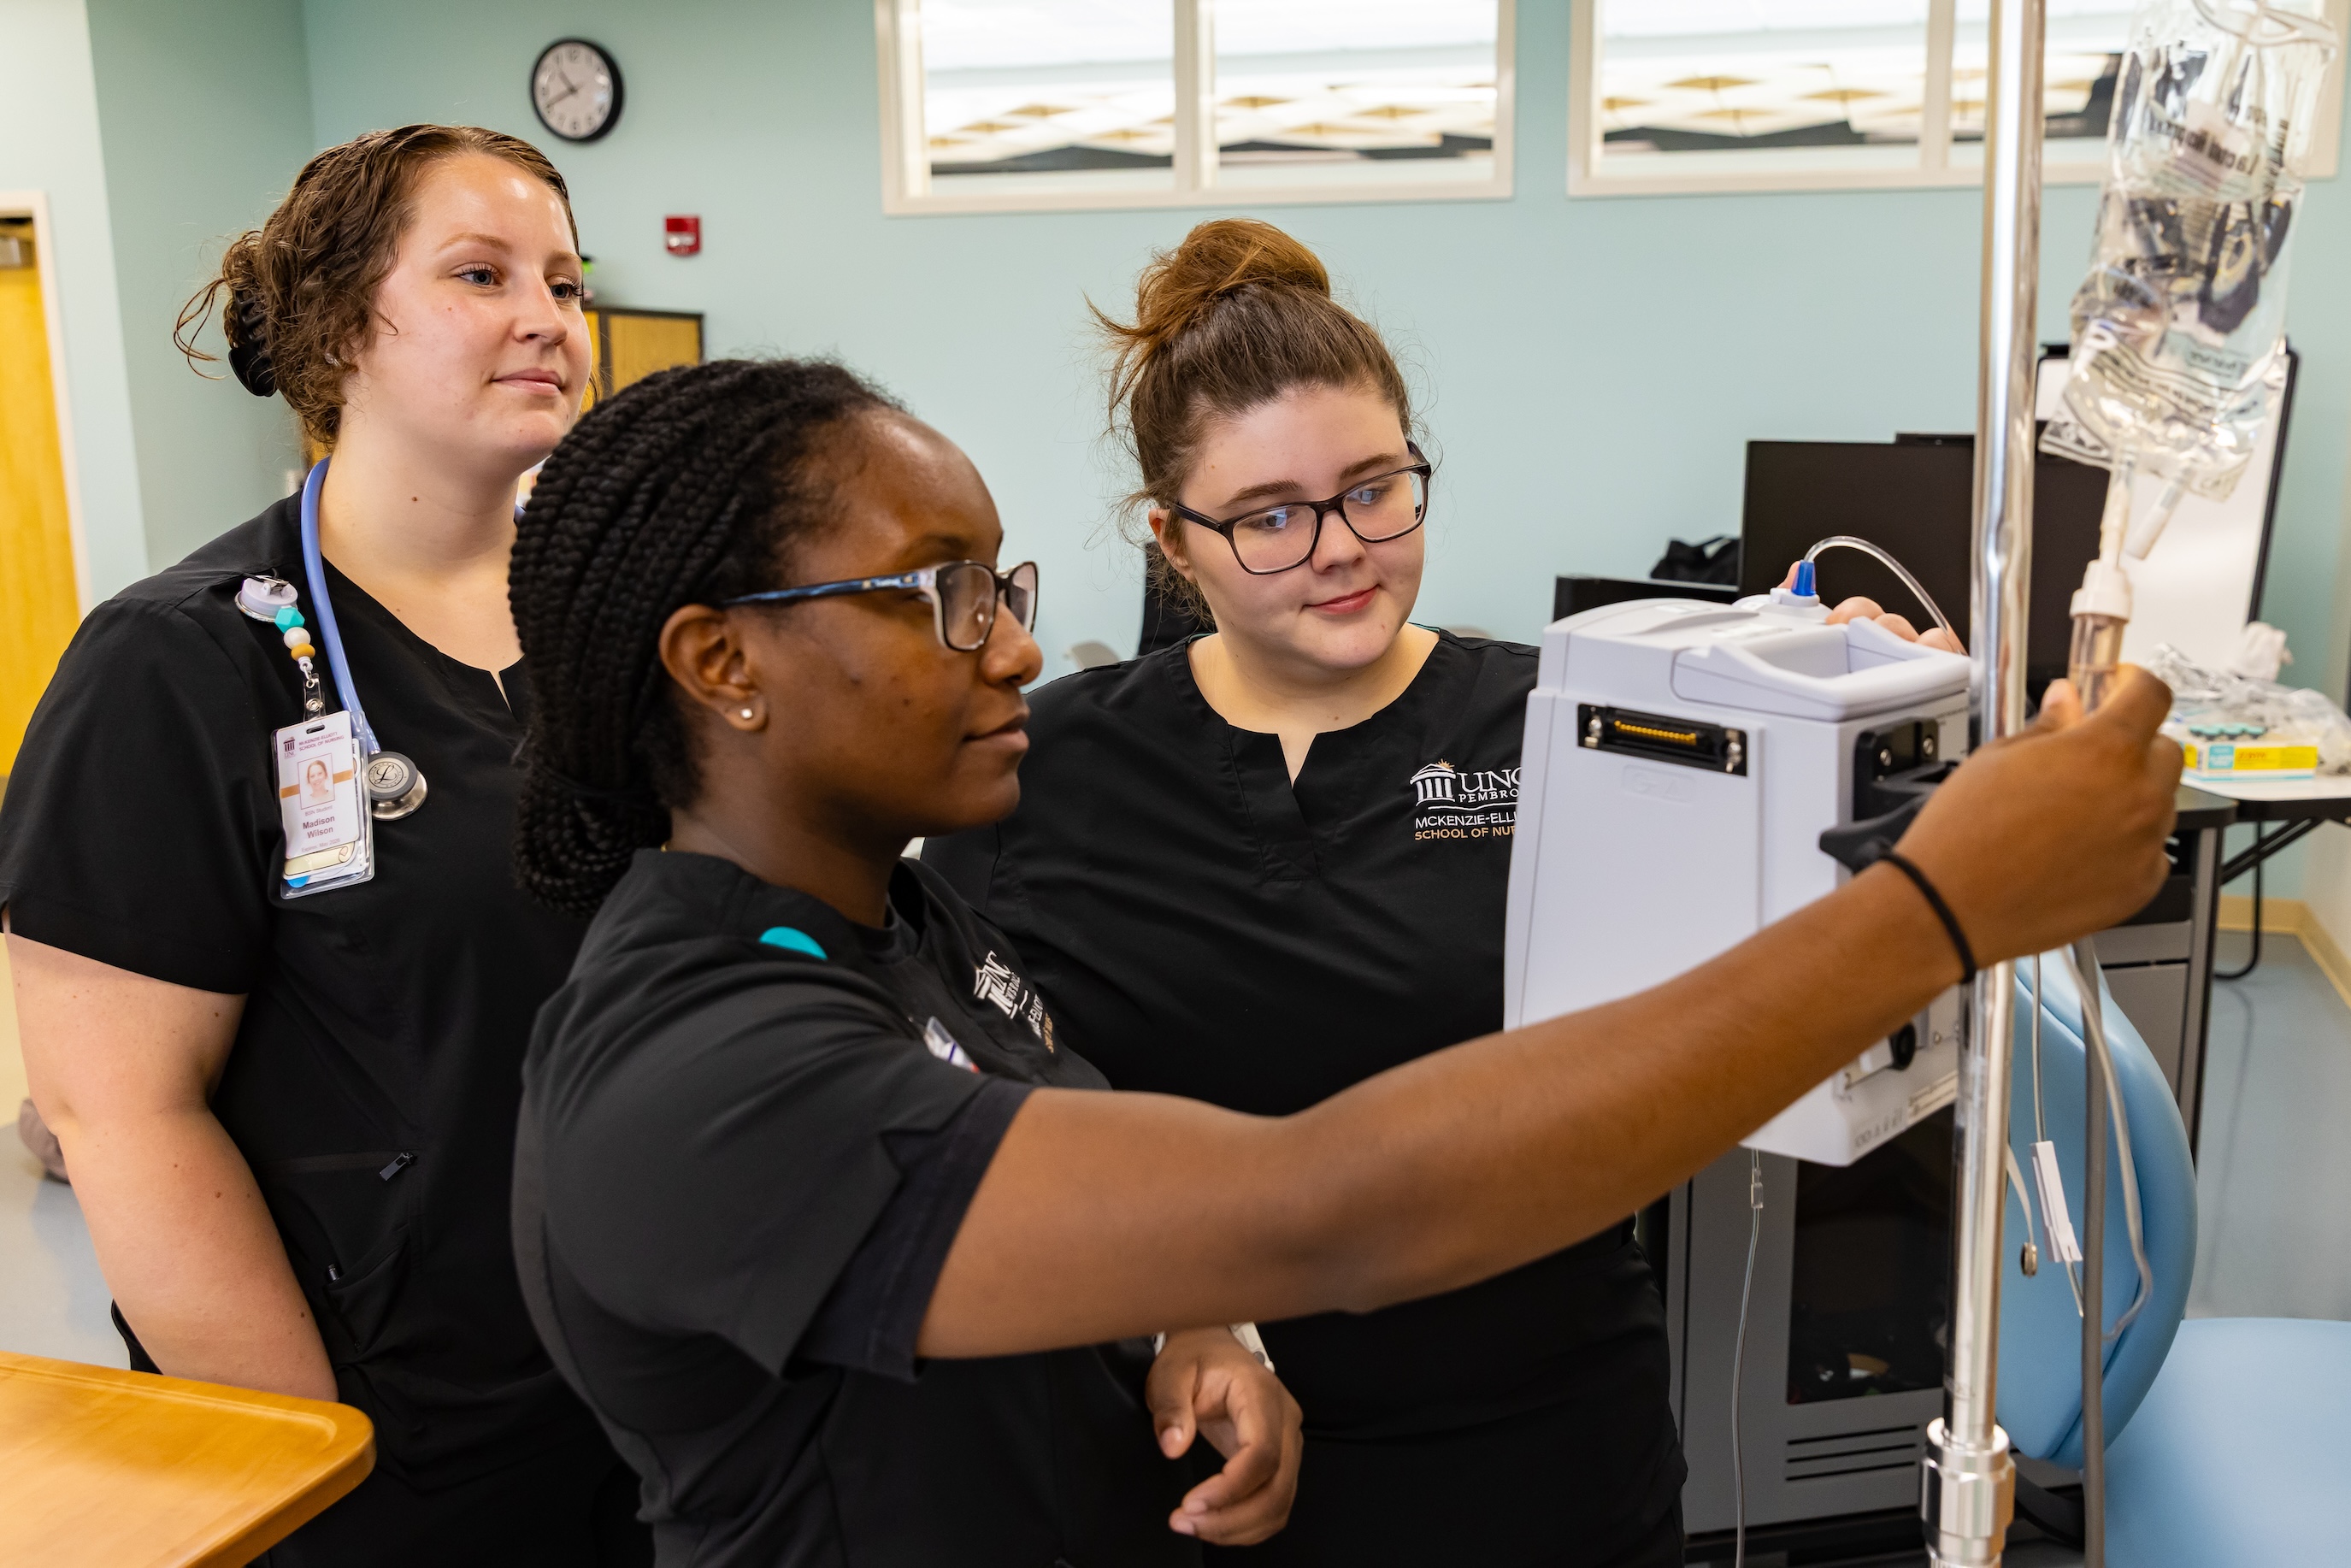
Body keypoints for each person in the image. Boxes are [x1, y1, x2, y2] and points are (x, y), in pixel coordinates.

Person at [502, 354, 2179, 1567]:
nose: (1010, 638)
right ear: (723, 661)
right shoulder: (696, 1074)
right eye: (943, 595)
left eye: (996, 583)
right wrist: (1940, 907)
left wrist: (1183, 1318)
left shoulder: (900, 926)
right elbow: (1328, 1204)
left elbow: (1063, 1136)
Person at [922, 216, 1963, 1563]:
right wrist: (1170, 1313)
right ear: (1170, 542)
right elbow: (982, 1088)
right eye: (1269, 517)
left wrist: (1854, 722)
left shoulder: (1574, 723)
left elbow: (1797, 967)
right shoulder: (1047, 760)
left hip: (1537, 1443)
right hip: (1191, 1451)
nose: (1340, 547)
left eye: (1374, 487)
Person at [0, 126, 648, 1565]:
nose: (548, 316)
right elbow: (123, 1115)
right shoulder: (182, 666)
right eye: (483, 274)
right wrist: (318, 1467)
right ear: (342, 324)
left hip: (656, 1395)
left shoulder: (612, 632)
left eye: (564, 278)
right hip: (396, 1445)